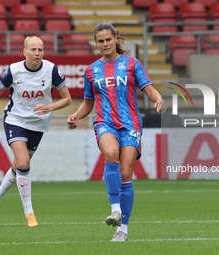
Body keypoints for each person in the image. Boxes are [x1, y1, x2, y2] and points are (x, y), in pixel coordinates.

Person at [67, 23, 166, 241]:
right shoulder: (91, 70)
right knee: (111, 154)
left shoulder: (131, 64)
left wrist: (158, 98)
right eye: (100, 41)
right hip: (105, 122)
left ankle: (123, 230)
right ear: (96, 43)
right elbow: (88, 103)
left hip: (131, 124)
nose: (105, 44)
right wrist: (76, 114)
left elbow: (148, 88)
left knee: (125, 174)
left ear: (115, 39)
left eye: (108, 39)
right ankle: (115, 209)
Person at [0, 36, 72, 227]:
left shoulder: (51, 69)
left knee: (19, 167)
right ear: (24, 52)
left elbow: (67, 99)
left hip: (38, 124)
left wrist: (50, 107)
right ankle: (29, 213)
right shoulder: (14, 70)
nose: (37, 53)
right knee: (24, 163)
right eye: (33, 50)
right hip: (15, 120)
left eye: (40, 50)